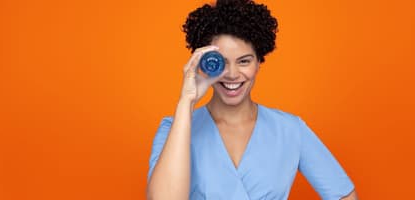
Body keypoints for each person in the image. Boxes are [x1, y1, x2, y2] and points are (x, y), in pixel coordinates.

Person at [147, 0, 358, 199]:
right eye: (222, 62)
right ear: (204, 63)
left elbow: (344, 195)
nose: (232, 74)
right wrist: (186, 101)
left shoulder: (290, 130)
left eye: (244, 61)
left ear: (258, 63)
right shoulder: (173, 129)